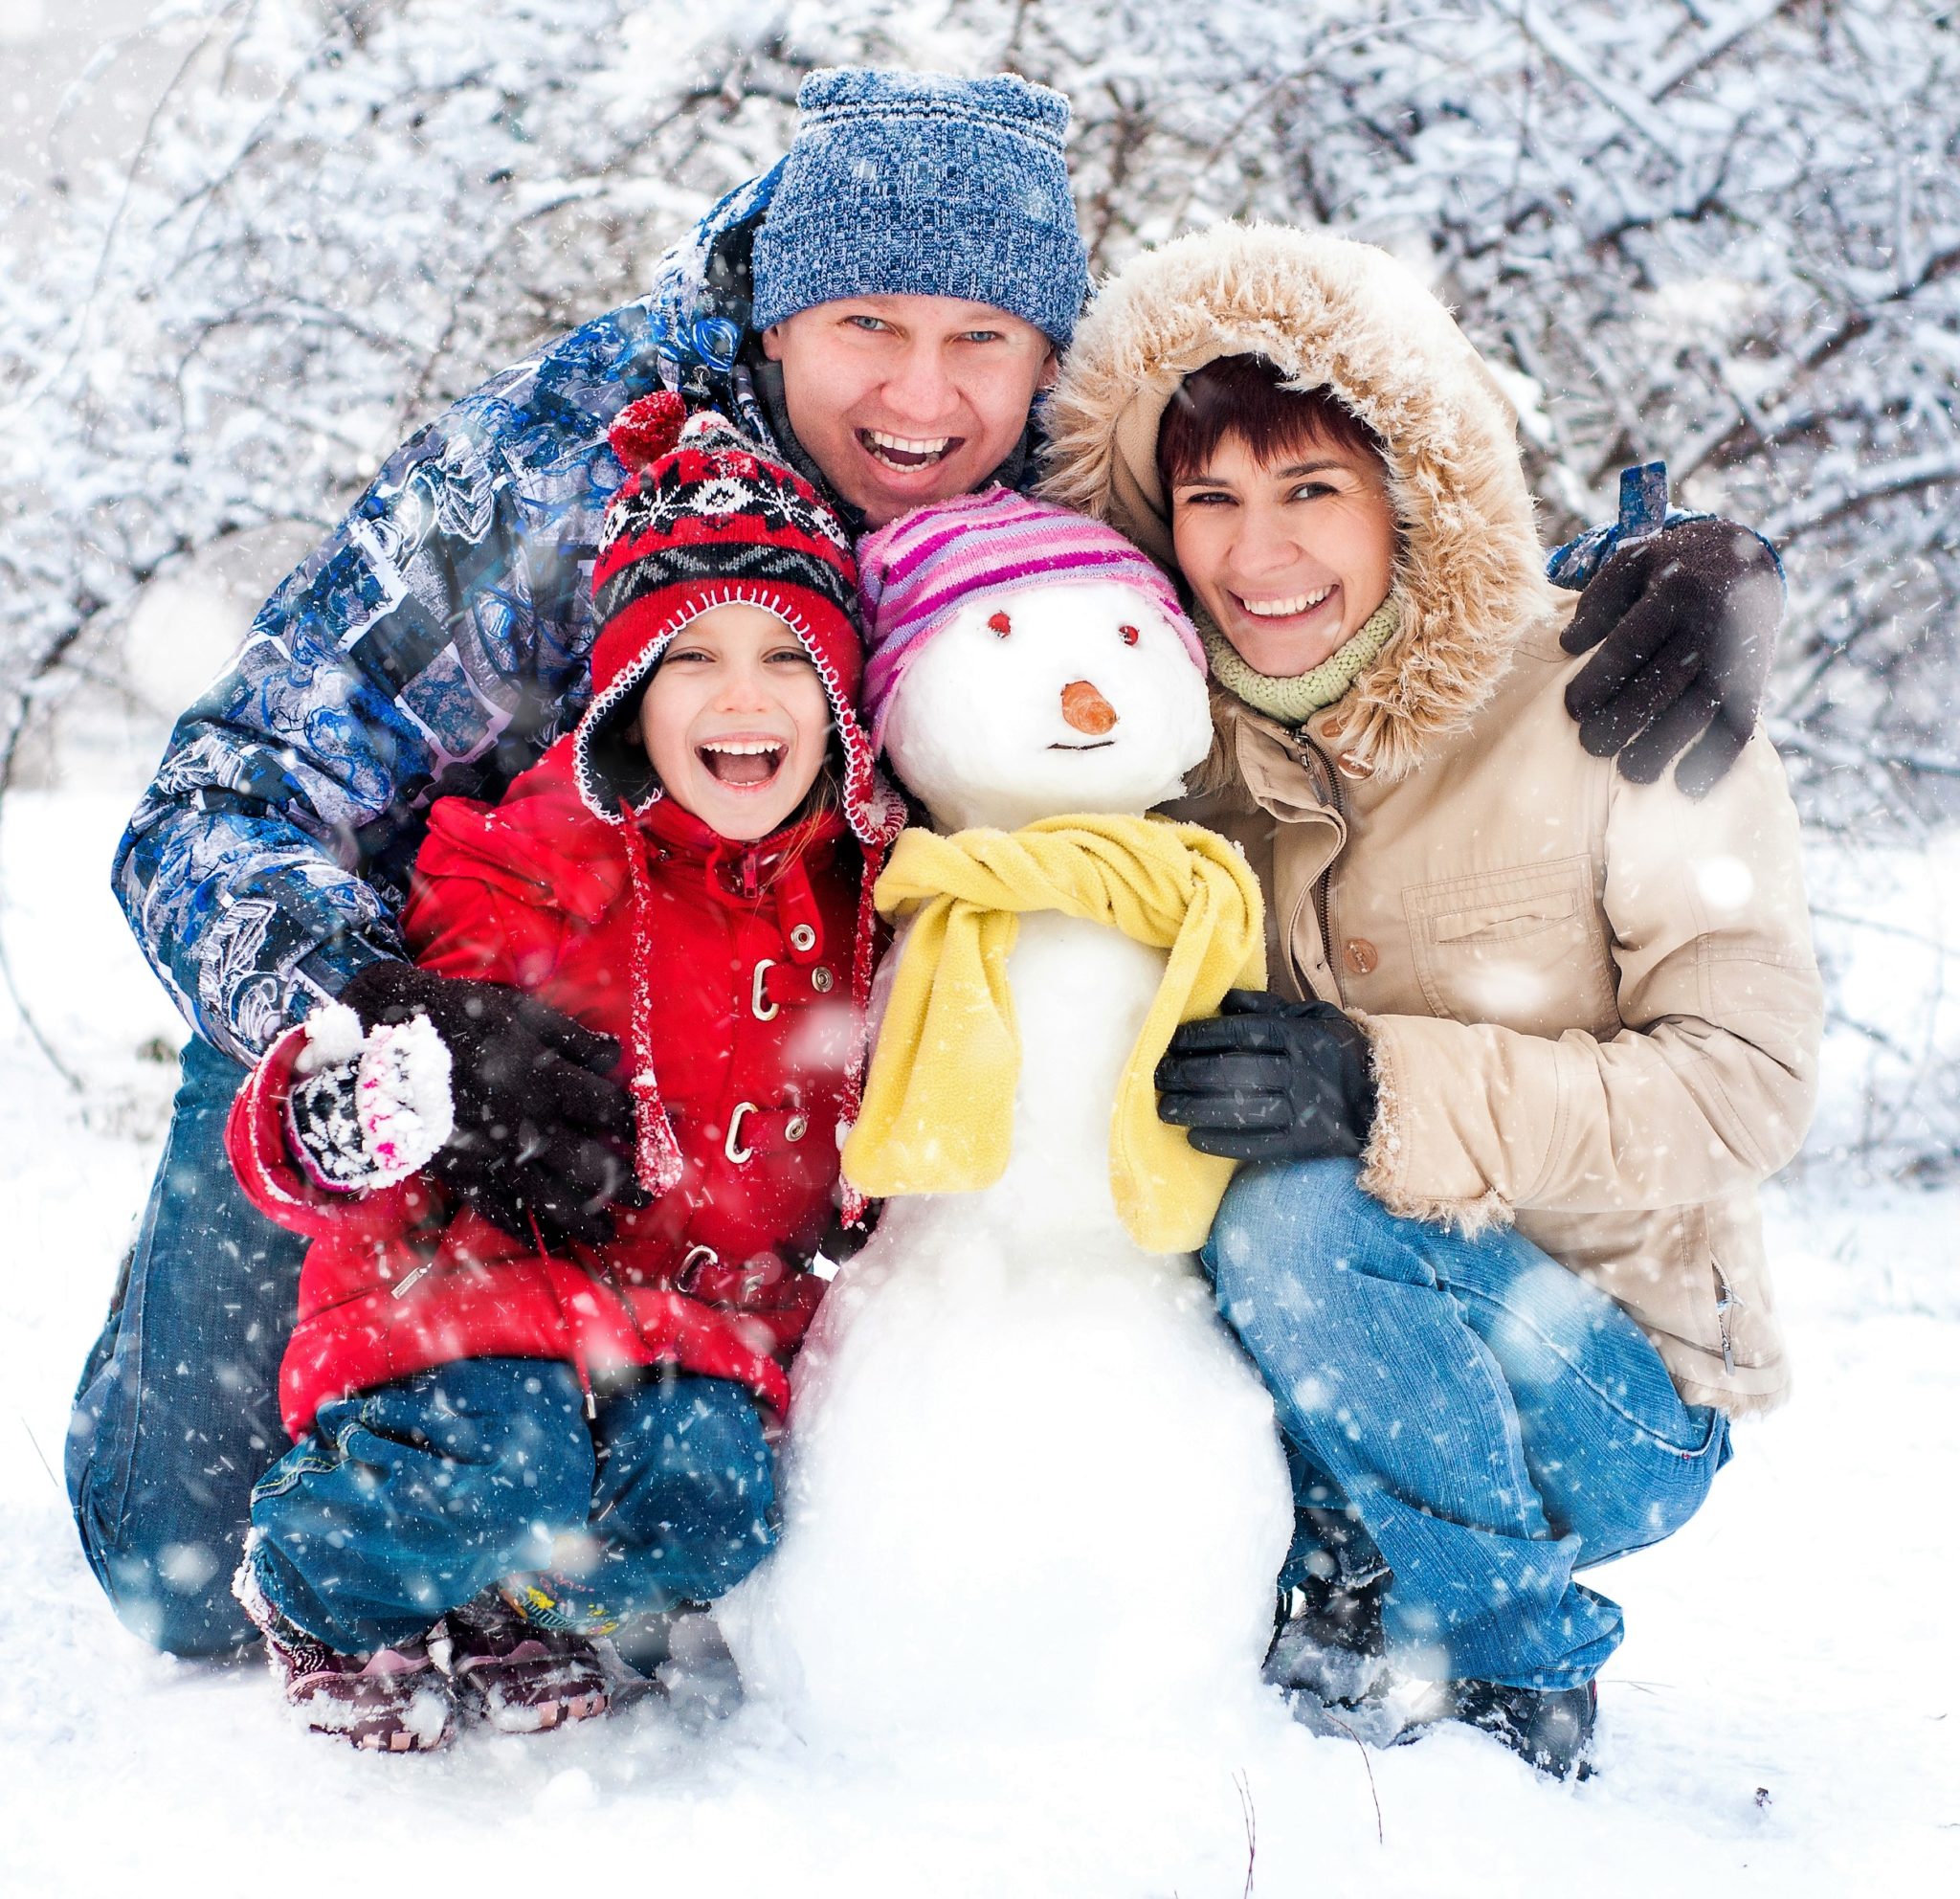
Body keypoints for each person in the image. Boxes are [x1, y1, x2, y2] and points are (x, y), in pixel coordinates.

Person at [70, 62, 1784, 1658]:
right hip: (472, 1034)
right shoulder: (564, 469)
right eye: (865, 325)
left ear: (1049, 353)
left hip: (789, 1101)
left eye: (984, 336)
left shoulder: (1061, 467)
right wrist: (380, 1016)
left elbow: (1337, 557)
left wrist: (1651, 576)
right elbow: (228, 788)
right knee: (184, 1580)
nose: (922, 394)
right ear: (775, 311)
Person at [1038, 222, 1822, 1778]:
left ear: (1416, 493)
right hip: (1328, 1392)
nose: (1259, 560)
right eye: (1213, 501)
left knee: (1299, 1214)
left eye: (1313, 491)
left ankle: (1504, 1669)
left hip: (1610, 1383)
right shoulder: (1154, 744)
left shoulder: (1615, 696)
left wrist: (1387, 1090)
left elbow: (1747, 1085)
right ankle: (1323, 1576)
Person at [222, 396, 903, 1751]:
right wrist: (353, 1110)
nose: (744, 696)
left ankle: (516, 1604)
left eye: (788, 655)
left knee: (716, 1499)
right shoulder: (533, 858)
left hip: (682, 1326)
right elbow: (351, 1085)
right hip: (464, 1303)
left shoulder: (863, 894)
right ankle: (315, 1587)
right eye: (691, 655)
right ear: (629, 692)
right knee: (504, 1445)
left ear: (840, 696)